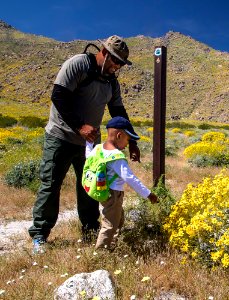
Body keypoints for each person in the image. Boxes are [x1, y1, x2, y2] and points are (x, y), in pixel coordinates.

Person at [28, 35, 141, 254]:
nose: (117, 67)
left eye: (121, 64)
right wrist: (80, 126)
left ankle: (89, 229)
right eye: (115, 61)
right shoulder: (78, 64)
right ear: (105, 53)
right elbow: (58, 96)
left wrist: (132, 141)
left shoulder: (111, 82)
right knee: (51, 184)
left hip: (89, 144)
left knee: (91, 185)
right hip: (60, 136)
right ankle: (40, 235)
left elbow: (118, 112)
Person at [85, 116, 158, 250]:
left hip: (104, 192)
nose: (127, 144)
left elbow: (88, 156)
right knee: (110, 224)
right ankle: (100, 252)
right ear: (119, 135)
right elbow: (130, 178)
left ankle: (112, 243)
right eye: (127, 140)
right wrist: (148, 194)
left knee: (118, 218)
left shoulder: (98, 148)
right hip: (113, 194)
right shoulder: (116, 157)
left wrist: (89, 143)